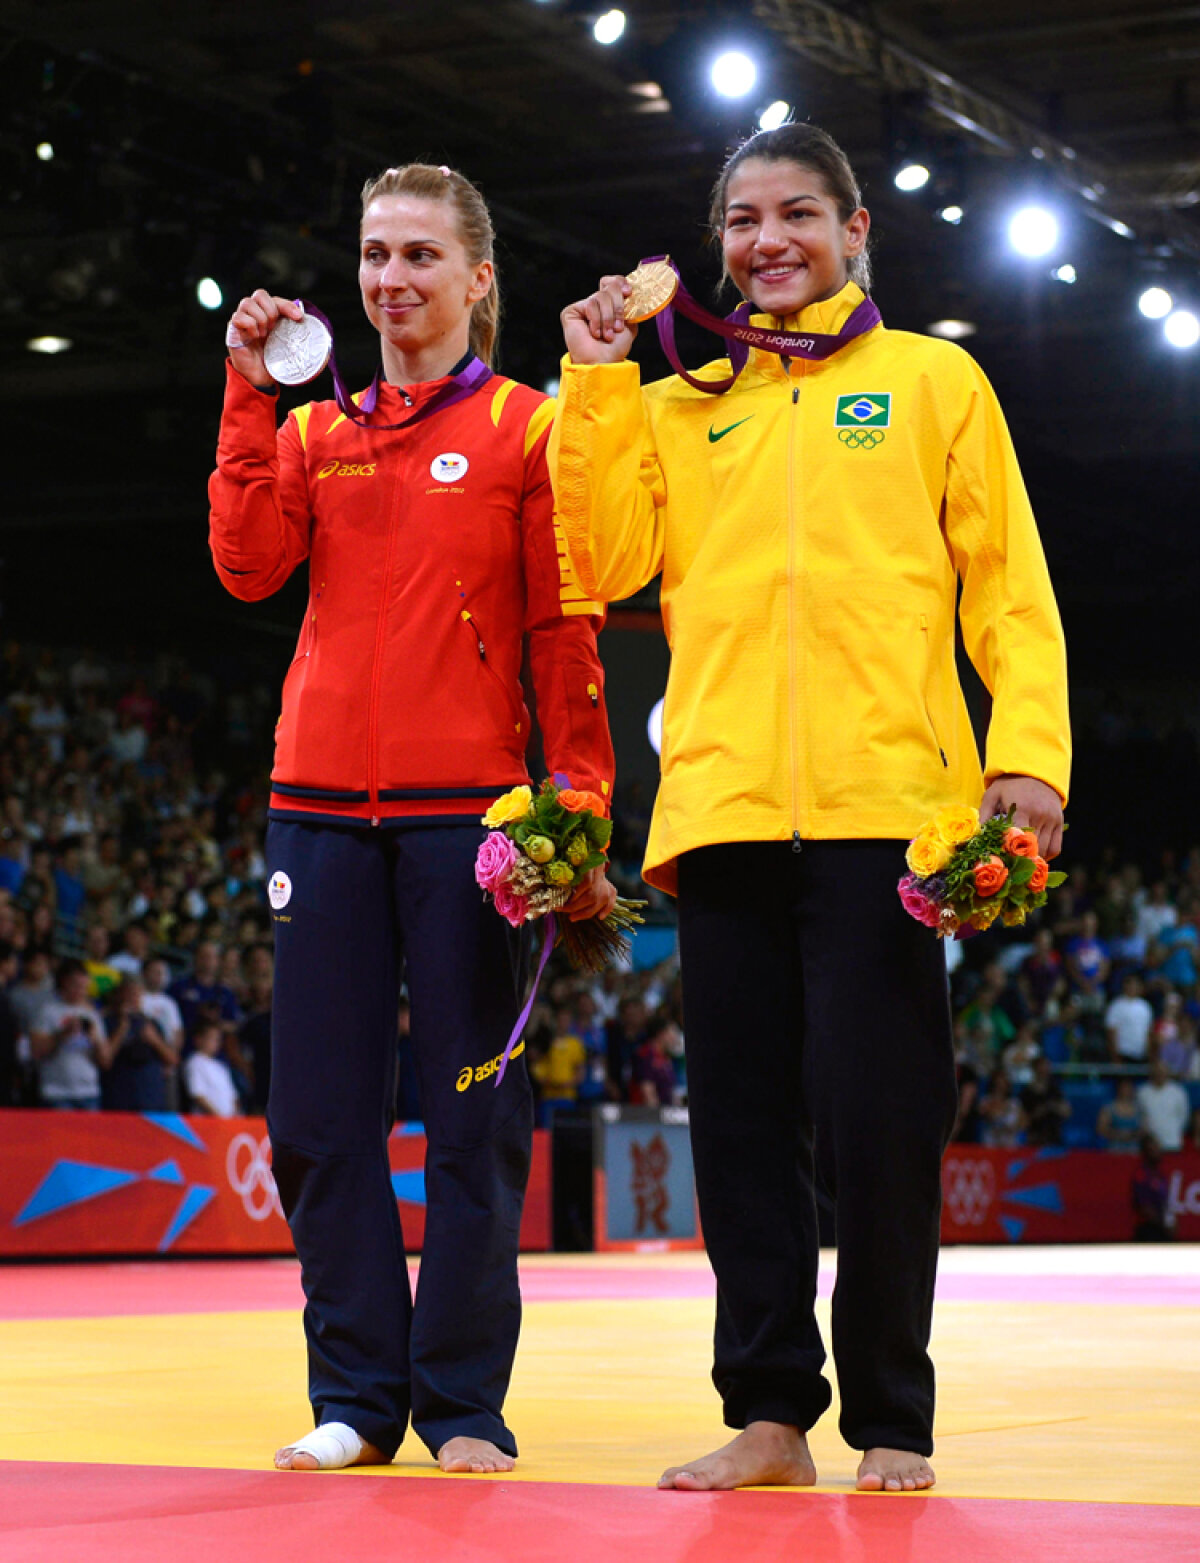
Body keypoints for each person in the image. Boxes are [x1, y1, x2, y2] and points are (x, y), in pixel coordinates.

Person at [553, 121, 1069, 1493]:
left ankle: (892, 1413)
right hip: (722, 809)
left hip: (891, 812)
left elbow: (1006, 582)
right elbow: (600, 561)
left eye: (795, 213)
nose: (766, 239)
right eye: (740, 219)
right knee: (737, 1127)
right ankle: (771, 1413)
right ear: (716, 243)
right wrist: (596, 384)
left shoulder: (932, 379)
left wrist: (1030, 754)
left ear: (856, 232)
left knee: (885, 1121)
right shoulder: (678, 401)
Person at [209, 161, 616, 1477]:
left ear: (478, 278)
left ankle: (459, 1409)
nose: (393, 278)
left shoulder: (526, 429)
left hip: (470, 823)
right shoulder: (320, 436)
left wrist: (585, 801)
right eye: (377, 253)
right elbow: (247, 565)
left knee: (470, 1125)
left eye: (422, 255)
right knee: (321, 1122)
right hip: (315, 816)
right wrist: (248, 393)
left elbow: (564, 632)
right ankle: (354, 1397)